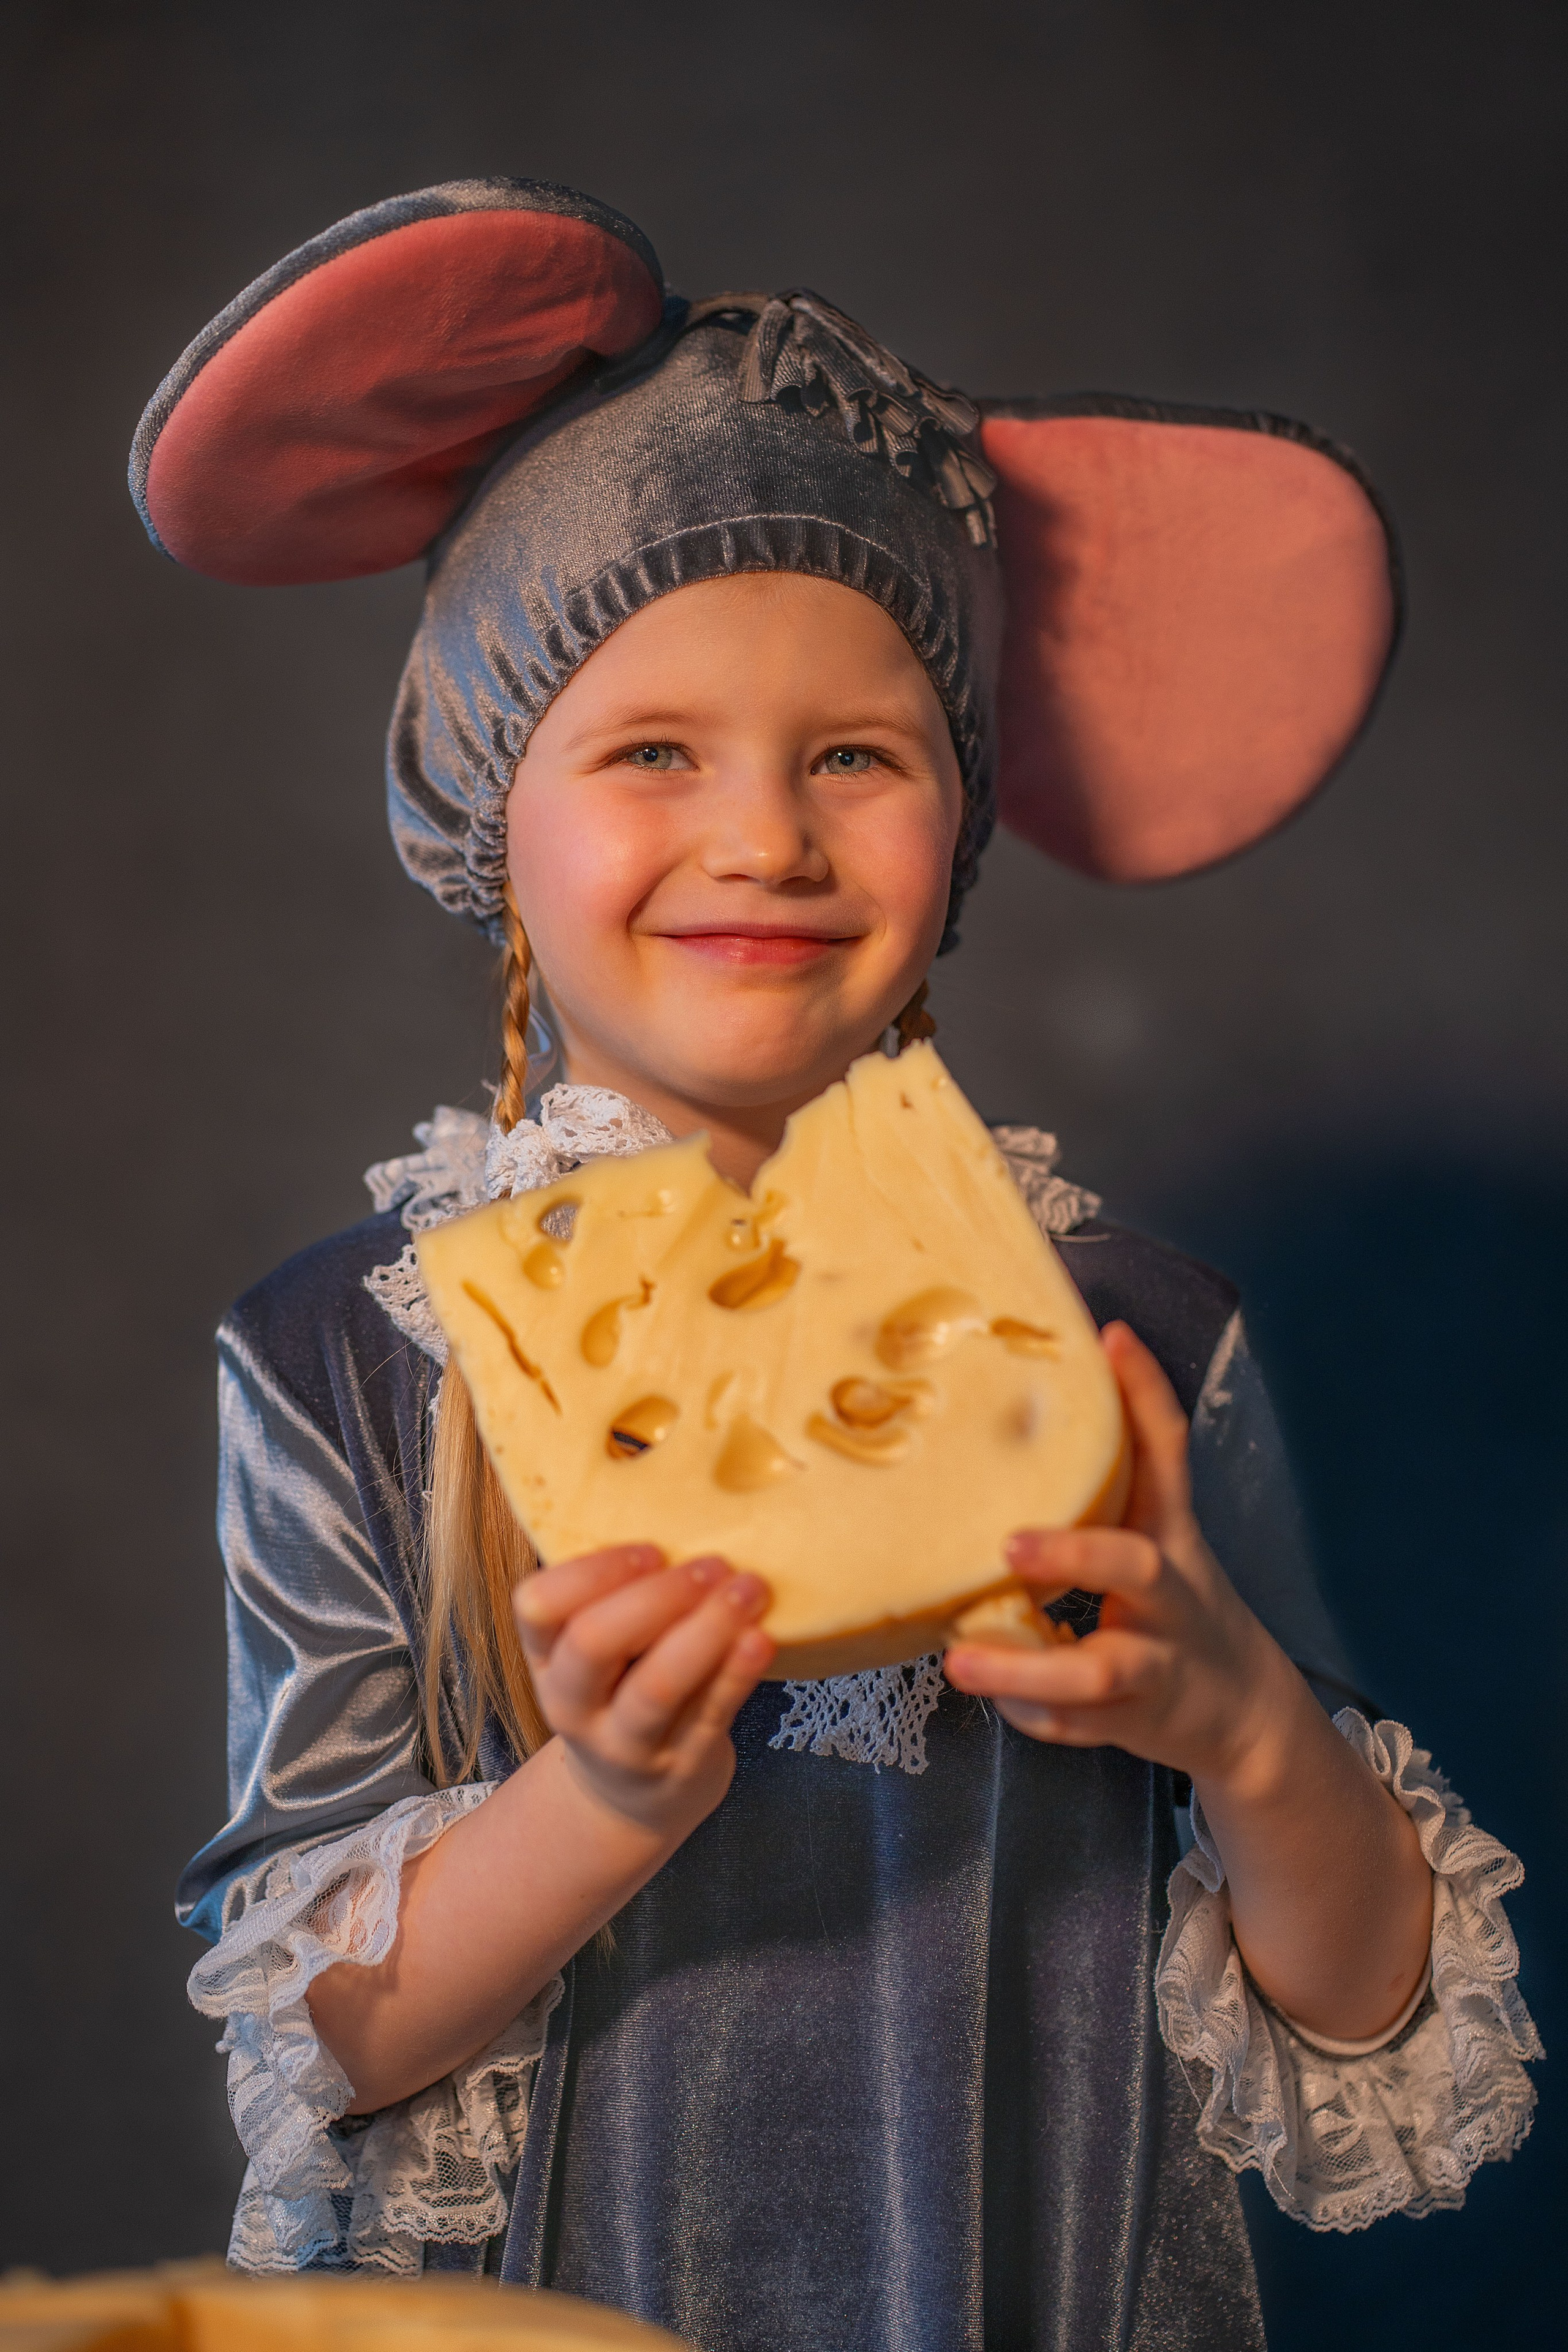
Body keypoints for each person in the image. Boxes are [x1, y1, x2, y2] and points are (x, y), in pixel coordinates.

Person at [133, 181, 1540, 2350]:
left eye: (858, 757)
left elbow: (1368, 2018)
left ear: (962, 826)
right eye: (653, 752)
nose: (768, 836)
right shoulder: (350, 1354)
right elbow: (324, 2035)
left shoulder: (1135, 1335)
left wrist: (1249, 1731)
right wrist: (600, 1798)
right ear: (489, 811)